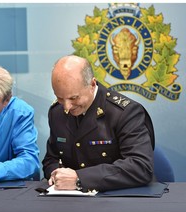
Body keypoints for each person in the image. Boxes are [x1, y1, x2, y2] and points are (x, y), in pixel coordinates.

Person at [42, 55, 155, 192]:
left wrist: (80, 179)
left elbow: (141, 167)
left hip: (118, 199)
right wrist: (57, 175)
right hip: (70, 201)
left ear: (92, 84)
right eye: (60, 98)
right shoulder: (56, 113)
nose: (66, 107)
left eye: (74, 98)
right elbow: (51, 159)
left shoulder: (124, 112)